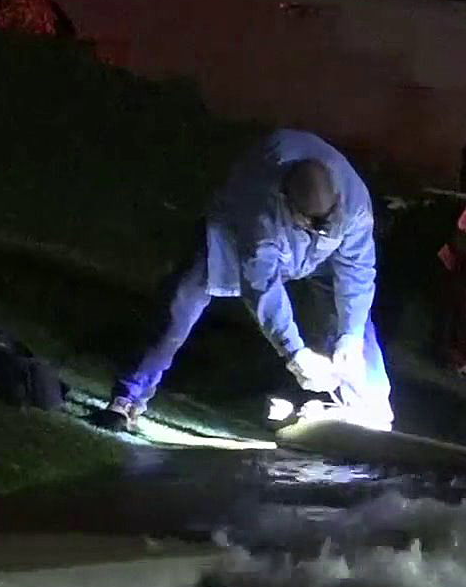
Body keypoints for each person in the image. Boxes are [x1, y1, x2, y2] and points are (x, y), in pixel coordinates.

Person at [104, 129, 392, 431]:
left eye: (325, 223)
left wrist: (350, 336)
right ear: (285, 198)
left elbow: (357, 274)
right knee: (180, 305)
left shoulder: (354, 205)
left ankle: (371, 410)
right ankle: (128, 398)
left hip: (320, 257)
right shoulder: (258, 200)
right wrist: (295, 352)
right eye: (309, 223)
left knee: (352, 324)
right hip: (232, 234)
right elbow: (262, 285)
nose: (316, 229)